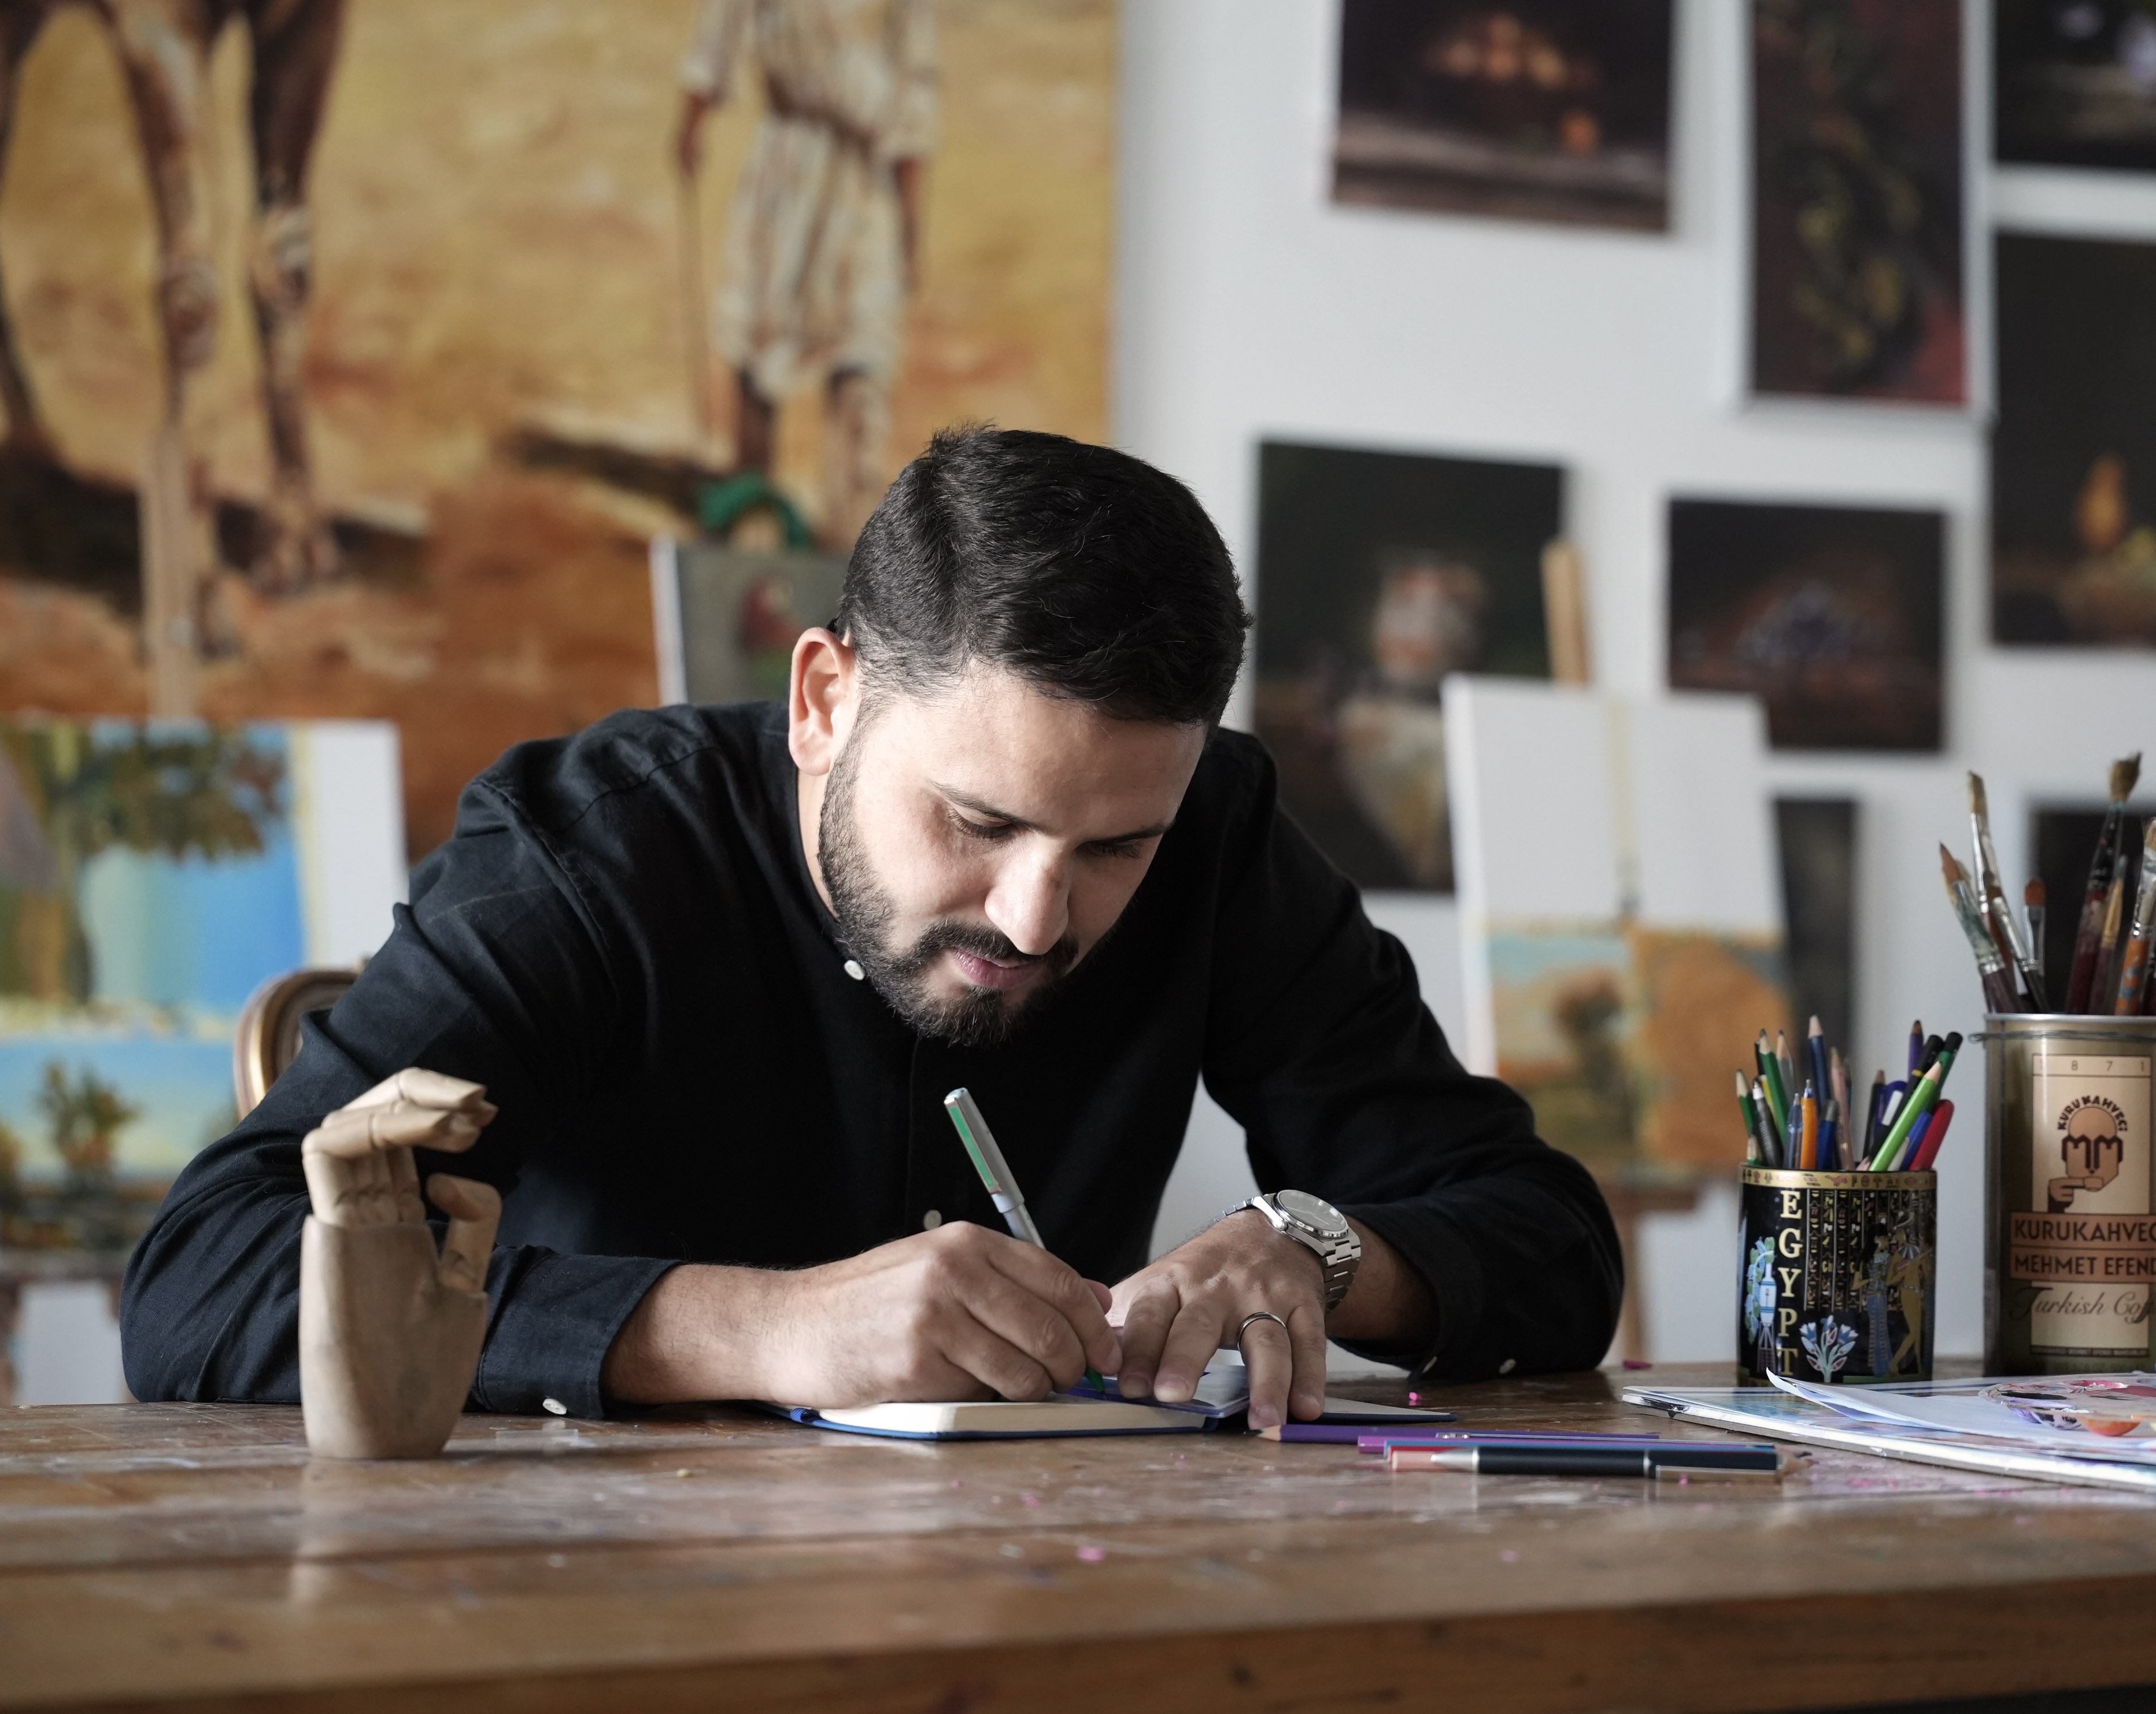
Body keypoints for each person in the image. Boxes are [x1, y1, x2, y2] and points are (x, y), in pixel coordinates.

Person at [121, 428, 1622, 1429]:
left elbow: (1547, 1240)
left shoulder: (1217, 833)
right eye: (974, 822)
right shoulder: (586, 853)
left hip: (1054, 1588)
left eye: (1115, 848)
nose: (1035, 915)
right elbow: (203, 1277)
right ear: (823, 701)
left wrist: (1318, 1248)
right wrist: (755, 1329)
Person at [675, 0, 936, 544]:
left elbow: (915, 83)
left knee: (862, 349)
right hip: (786, 163)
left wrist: (911, 221)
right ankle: (750, 501)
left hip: (866, 180)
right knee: (759, 335)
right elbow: (723, 22)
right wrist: (695, 113)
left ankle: (851, 530)